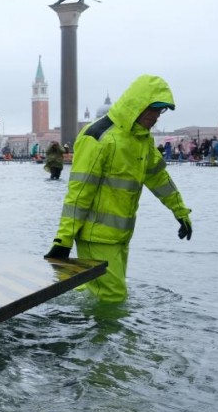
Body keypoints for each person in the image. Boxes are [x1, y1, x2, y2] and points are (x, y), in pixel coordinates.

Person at [44, 74, 193, 303]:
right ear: (138, 104)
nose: (156, 117)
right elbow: (79, 193)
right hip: (96, 237)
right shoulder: (98, 137)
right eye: (153, 109)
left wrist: (180, 212)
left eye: (160, 111)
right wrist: (63, 240)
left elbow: (159, 178)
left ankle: (74, 324)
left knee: (97, 294)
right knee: (113, 299)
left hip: (120, 236)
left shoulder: (141, 138)